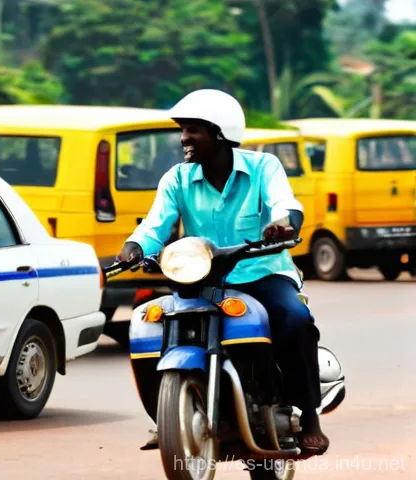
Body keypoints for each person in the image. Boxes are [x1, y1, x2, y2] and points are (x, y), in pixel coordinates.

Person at [118, 89, 329, 455]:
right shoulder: (177, 179)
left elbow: (285, 204)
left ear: (219, 133)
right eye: (183, 130)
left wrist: (283, 224)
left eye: (193, 130)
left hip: (261, 272)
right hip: (200, 279)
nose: (184, 138)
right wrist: (136, 246)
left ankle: (309, 415)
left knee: (293, 318)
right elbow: (155, 225)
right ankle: (166, 416)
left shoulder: (264, 168)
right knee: (150, 326)